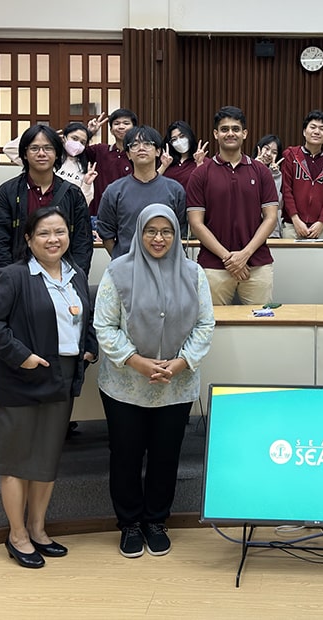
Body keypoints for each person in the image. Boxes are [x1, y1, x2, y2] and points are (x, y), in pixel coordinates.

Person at [0, 206, 97, 569]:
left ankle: (38, 528)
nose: (53, 239)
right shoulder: (12, 276)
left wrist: (88, 346)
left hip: (62, 376)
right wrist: (23, 356)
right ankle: (17, 535)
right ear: (28, 239)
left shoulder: (75, 275)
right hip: (23, 375)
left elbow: (83, 319)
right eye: (44, 233)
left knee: (46, 456)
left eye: (59, 232)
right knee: (15, 460)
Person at [94, 204, 215, 559]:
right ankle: (130, 523)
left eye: (166, 231)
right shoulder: (117, 271)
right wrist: (138, 362)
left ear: (177, 235)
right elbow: (104, 326)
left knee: (166, 456)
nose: (158, 238)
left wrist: (180, 364)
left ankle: (156, 521)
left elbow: (205, 325)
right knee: (127, 456)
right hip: (125, 384)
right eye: (151, 231)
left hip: (175, 385)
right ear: (139, 232)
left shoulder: (194, 273)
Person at [186, 106, 279, 305]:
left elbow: (271, 218)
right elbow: (196, 224)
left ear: (244, 134)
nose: (230, 133)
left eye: (235, 129)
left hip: (257, 263)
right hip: (213, 265)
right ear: (216, 134)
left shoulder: (261, 172)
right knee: (212, 327)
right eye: (224, 129)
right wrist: (229, 259)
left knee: (261, 326)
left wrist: (244, 255)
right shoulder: (200, 174)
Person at [0, 124, 93, 275]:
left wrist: (73, 278)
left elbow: (82, 243)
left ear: (57, 153)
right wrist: (9, 280)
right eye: (34, 148)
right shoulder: (7, 192)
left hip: (62, 280)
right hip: (17, 279)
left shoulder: (73, 194)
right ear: (24, 154)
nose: (41, 153)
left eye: (48, 148)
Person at [97, 125, 187, 256]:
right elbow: (107, 235)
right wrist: (123, 261)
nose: (141, 148)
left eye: (147, 143)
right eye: (134, 144)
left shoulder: (175, 190)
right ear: (128, 154)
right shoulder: (114, 191)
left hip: (167, 267)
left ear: (158, 151)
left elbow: (180, 230)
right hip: (128, 268)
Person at [2, 121, 98, 207]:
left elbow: (84, 202)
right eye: (74, 138)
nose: (78, 144)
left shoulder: (85, 168)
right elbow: (8, 149)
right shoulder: (47, 158)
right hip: (34, 205)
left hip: (63, 214)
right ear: (64, 137)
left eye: (82, 142)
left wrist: (86, 184)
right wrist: (44, 139)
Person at [280, 110, 323, 240]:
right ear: (304, 131)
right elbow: (286, 189)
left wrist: (321, 223)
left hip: (321, 229)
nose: (317, 132)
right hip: (292, 225)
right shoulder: (291, 156)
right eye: (312, 127)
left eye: (322, 129)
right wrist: (295, 219)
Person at [85, 108, 138, 215]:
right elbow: (77, 151)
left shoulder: (139, 154)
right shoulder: (100, 150)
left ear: (134, 128)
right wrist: (90, 133)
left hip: (129, 213)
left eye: (126, 123)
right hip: (99, 213)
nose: (121, 127)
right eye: (116, 123)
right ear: (111, 130)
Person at [157, 121, 208, 192]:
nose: (179, 141)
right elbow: (152, 184)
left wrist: (199, 164)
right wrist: (164, 166)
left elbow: (209, 188)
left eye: (182, 136)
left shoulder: (204, 162)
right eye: (174, 139)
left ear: (189, 136)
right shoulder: (167, 161)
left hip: (192, 202)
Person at [254, 134, 284, 238]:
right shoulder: (246, 167)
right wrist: (255, 168)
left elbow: (276, 201)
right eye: (266, 148)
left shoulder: (277, 174)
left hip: (271, 232)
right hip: (250, 229)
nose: (269, 154)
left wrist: (274, 175)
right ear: (259, 147)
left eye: (274, 152)